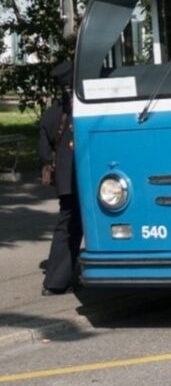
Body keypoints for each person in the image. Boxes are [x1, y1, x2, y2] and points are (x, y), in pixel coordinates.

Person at [38, 60, 82, 296]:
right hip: (87, 179)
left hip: (65, 181)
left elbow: (44, 153)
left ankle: (55, 281)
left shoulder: (49, 115)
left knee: (65, 227)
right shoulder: (83, 110)